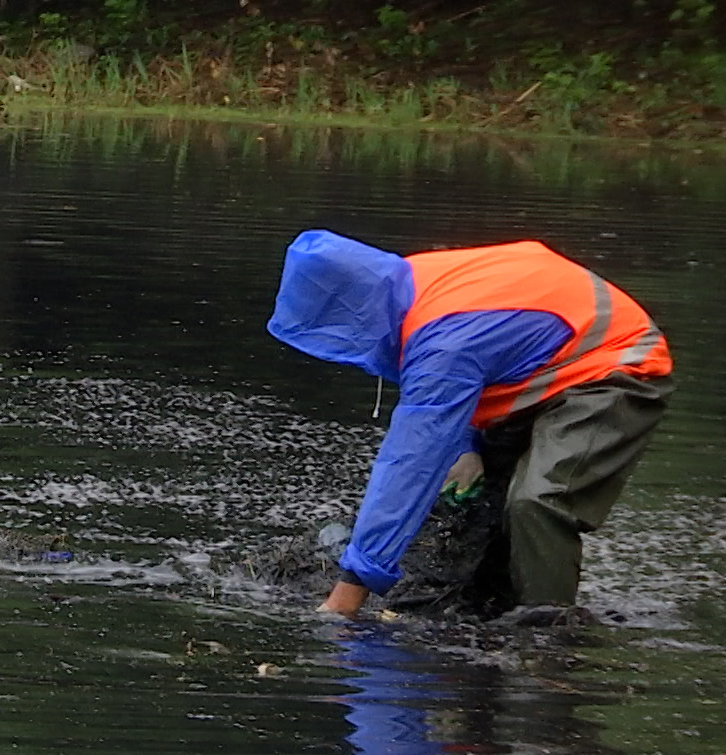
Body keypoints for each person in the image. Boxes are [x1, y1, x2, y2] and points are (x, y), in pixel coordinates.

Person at [266, 229, 673, 617]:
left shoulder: (442, 338)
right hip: (542, 368)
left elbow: (412, 462)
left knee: (537, 501)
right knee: (489, 511)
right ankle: (496, 616)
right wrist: (467, 446)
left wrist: (351, 589)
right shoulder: (408, 283)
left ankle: (548, 640)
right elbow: (479, 360)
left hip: (616, 365)